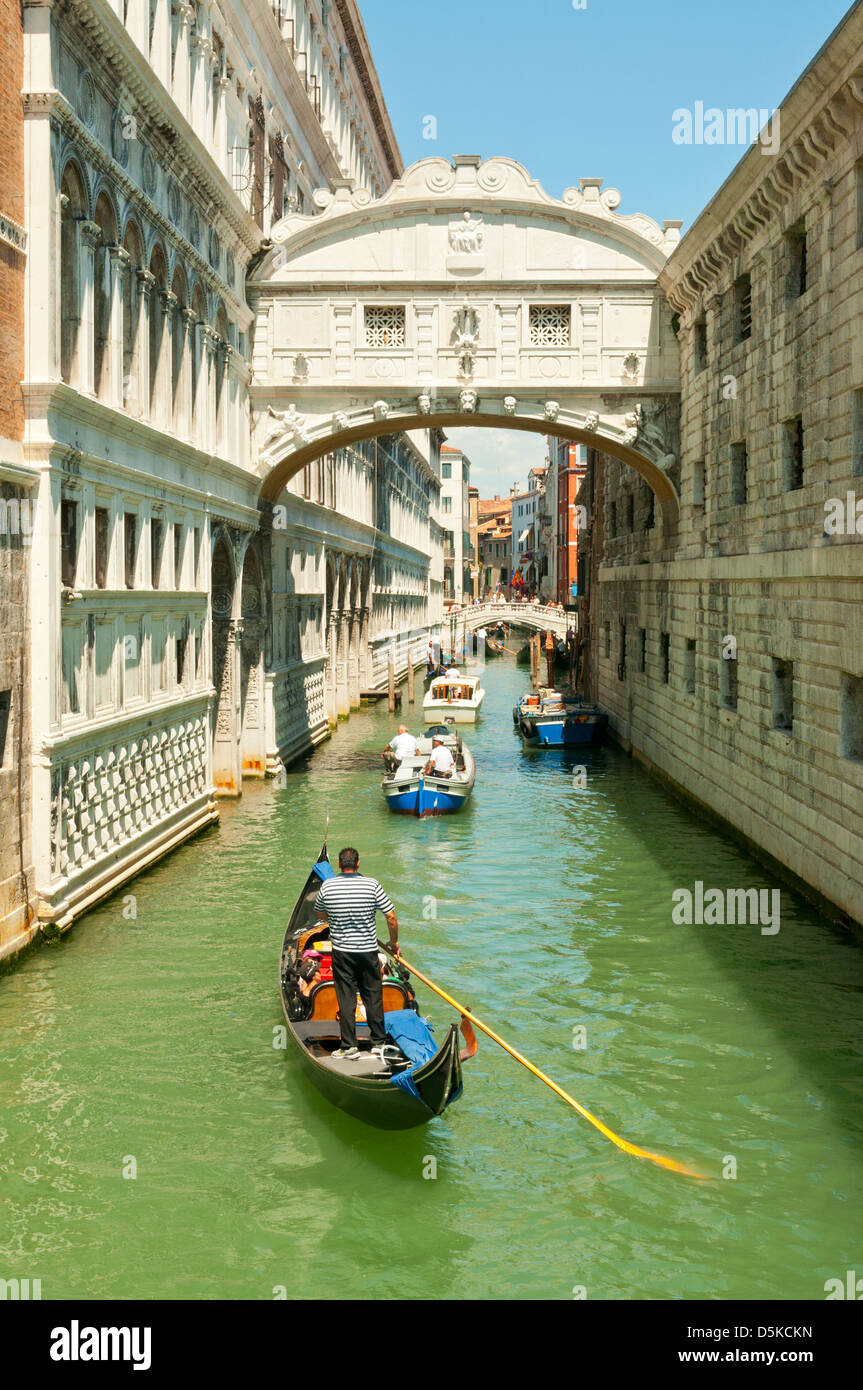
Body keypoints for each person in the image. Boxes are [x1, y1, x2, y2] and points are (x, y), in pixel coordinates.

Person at [314, 847, 399, 1061]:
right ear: (358, 863)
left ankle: (349, 1046)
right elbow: (390, 916)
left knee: (347, 999)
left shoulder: (328, 886)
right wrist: (393, 942)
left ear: (339, 864)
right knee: (373, 996)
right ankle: (378, 1043)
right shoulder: (372, 884)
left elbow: (320, 912)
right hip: (368, 951)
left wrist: (333, 919)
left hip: (342, 953)